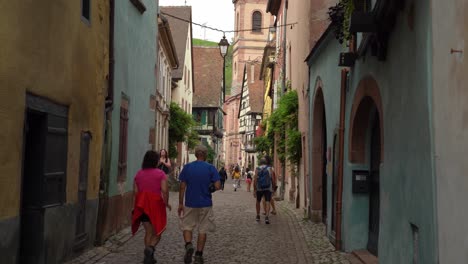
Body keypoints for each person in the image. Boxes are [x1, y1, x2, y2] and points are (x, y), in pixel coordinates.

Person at [178, 145, 221, 264]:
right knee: (203, 230)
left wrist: (180, 203)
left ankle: (188, 245)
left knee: (187, 226)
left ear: (196, 154)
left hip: (190, 202)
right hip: (205, 203)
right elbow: (217, 186)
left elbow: (182, 187)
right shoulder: (211, 168)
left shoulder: (187, 167)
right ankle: (198, 255)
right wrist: (210, 187)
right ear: (205, 155)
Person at [131, 151, 172, 264]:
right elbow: (164, 190)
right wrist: (166, 202)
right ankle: (150, 249)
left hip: (142, 206)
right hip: (155, 206)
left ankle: (148, 256)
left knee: (148, 232)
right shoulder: (160, 174)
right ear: (155, 161)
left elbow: (135, 192)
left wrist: (135, 207)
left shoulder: (138, 174)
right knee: (158, 232)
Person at [253, 157, 276, 224]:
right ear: (266, 162)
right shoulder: (269, 168)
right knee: (267, 201)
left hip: (259, 187)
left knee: (258, 201)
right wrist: (273, 188)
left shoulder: (257, 169)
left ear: (260, 162)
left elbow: (255, 179)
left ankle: (258, 215)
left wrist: (254, 189)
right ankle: (266, 216)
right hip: (268, 187)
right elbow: (273, 179)